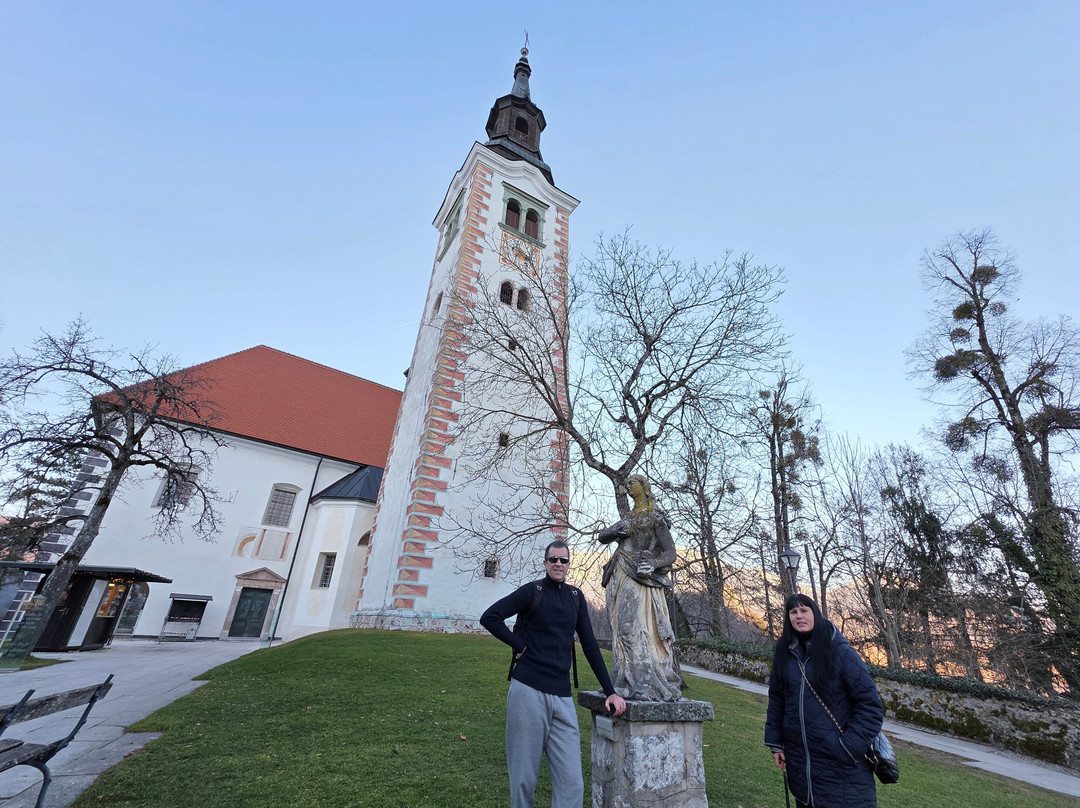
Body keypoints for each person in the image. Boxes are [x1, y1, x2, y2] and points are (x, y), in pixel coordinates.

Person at [481, 540, 626, 808]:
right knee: (524, 779)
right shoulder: (532, 591)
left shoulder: (576, 597)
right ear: (545, 562)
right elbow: (490, 617)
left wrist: (610, 691)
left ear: (569, 564)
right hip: (528, 692)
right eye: (553, 559)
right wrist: (520, 645)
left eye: (563, 560)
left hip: (562, 698)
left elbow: (591, 646)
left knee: (572, 784)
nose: (558, 564)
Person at [764, 593, 884, 808]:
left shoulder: (841, 653)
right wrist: (775, 744)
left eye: (804, 610)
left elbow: (870, 706)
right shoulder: (785, 654)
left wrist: (847, 748)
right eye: (793, 612)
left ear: (815, 614)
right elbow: (777, 702)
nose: (799, 616)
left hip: (842, 768)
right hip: (801, 766)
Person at [597, 474, 684, 701]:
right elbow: (602, 537)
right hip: (620, 571)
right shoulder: (628, 518)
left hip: (640, 576)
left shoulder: (655, 518)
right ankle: (623, 677)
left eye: (631, 483)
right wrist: (617, 531)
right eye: (626, 484)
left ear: (644, 486)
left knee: (631, 626)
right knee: (619, 625)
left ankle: (643, 678)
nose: (627, 487)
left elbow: (670, 554)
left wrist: (653, 564)